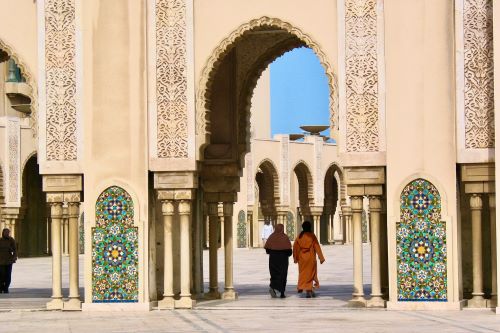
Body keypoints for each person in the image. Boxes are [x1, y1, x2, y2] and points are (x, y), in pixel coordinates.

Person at [293, 221, 325, 298]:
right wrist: (321, 258)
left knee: (303, 274)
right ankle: (309, 290)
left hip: (302, 259)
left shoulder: (299, 237)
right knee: (310, 274)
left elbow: (295, 248)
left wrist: (295, 258)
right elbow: (317, 246)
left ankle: (305, 288)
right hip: (311, 258)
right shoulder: (312, 236)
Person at [264, 224, 292, 299]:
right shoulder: (285, 237)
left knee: (274, 274)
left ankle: (273, 287)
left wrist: (273, 251)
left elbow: (267, 249)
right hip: (283, 260)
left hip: (273, 259)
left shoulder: (271, 237)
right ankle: (282, 292)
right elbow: (289, 251)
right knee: (283, 275)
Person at [0, 228, 17, 294]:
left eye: (8, 232)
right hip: (1, 261)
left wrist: (14, 256)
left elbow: (15, 249)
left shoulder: (11, 240)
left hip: (9, 261)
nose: (7, 234)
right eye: (5, 232)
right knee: (2, 275)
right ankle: (1, 288)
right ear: (3, 233)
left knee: (8, 275)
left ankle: (6, 288)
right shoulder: (0, 240)